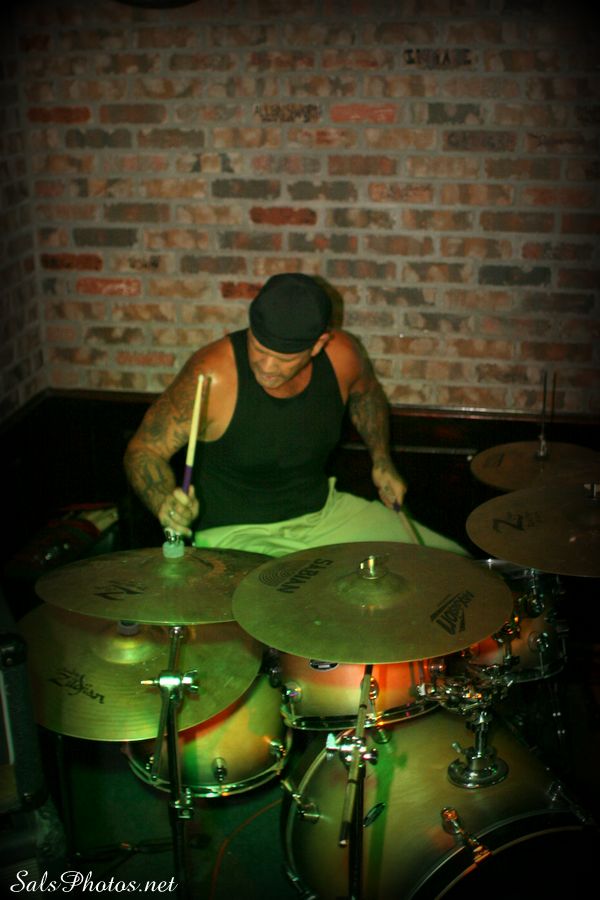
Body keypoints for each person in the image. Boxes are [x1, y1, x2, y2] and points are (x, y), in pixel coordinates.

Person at [123, 273, 467, 558]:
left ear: (317, 345)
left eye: (285, 358)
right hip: (235, 534)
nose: (267, 367)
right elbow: (144, 450)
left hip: (323, 515)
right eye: (258, 349)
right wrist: (163, 501)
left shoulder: (343, 356)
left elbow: (368, 395)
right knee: (301, 608)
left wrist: (381, 459)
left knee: (448, 564)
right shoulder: (212, 374)